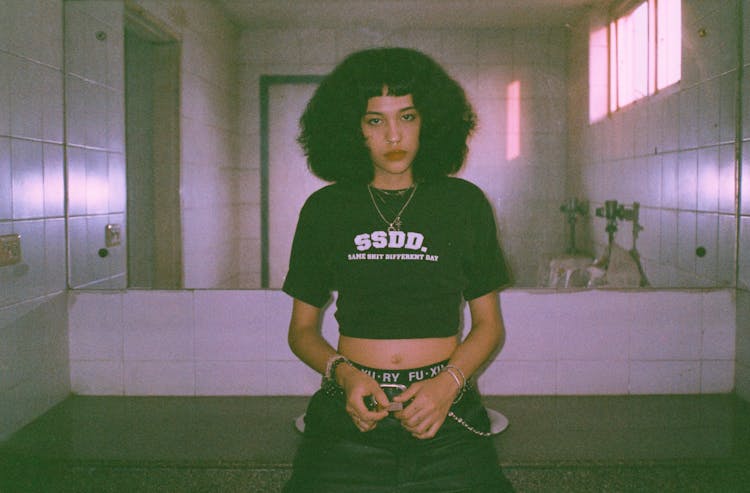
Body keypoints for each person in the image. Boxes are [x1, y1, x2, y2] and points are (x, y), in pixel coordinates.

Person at [282, 47, 514, 492]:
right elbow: (301, 332)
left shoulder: (463, 204)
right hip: (349, 419)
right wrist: (344, 374)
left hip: (446, 414)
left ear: (428, 120)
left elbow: (487, 326)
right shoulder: (325, 209)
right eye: (375, 120)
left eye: (407, 117)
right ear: (354, 128)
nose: (393, 136)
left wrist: (446, 385)